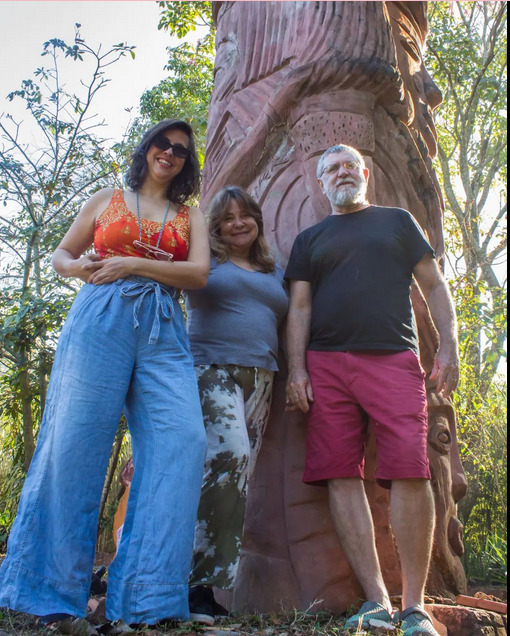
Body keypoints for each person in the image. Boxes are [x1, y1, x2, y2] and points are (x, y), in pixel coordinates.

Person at [0, 119, 210, 628]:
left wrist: (132, 265)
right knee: (73, 442)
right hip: (100, 316)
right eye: (163, 143)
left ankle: (148, 600)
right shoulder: (107, 198)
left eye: (181, 150)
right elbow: (60, 256)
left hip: (163, 325)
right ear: (147, 147)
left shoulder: (190, 216)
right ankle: (47, 596)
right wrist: (84, 267)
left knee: (184, 441)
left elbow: (198, 275)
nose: (171, 153)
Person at [285, 144, 459, 636]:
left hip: (394, 358)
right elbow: (299, 309)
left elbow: (435, 285)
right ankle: (376, 602)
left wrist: (449, 347)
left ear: (364, 174)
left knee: (411, 469)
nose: (341, 174)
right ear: (321, 183)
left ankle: (415, 607)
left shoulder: (397, 221)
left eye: (348, 166)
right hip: (326, 365)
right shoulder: (309, 239)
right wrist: (297, 370)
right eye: (331, 169)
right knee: (340, 473)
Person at [184, 186, 289, 626]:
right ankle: (190, 584)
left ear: (257, 221)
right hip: (211, 368)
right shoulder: (205, 259)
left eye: (246, 215)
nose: (238, 223)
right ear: (216, 226)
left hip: (262, 375)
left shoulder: (273, 269)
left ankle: (206, 589)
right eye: (227, 217)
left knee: (237, 478)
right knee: (228, 457)